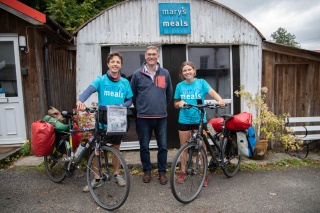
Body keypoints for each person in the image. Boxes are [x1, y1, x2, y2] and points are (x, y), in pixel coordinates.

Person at [76, 52, 133, 192]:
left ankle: (116, 174)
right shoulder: (101, 80)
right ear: (108, 64)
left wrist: (121, 106)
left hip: (118, 121)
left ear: (121, 65)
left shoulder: (125, 82)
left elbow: (130, 100)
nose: (115, 64)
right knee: (97, 150)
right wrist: (80, 100)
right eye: (112, 61)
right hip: (102, 121)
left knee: (116, 149)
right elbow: (89, 90)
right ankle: (96, 179)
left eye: (118, 62)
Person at [173, 61, 225, 187]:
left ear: (194, 71)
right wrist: (179, 104)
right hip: (184, 120)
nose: (187, 72)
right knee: (183, 148)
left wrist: (219, 100)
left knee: (202, 148)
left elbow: (212, 92)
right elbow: (175, 103)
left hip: (199, 119)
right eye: (184, 70)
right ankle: (183, 171)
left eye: (189, 70)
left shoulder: (201, 83)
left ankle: (204, 173)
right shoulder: (180, 86)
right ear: (182, 73)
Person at [130, 46, 173, 185]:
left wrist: (160, 106)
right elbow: (133, 95)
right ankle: (147, 171)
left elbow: (169, 94)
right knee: (144, 146)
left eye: (154, 54)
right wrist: (141, 108)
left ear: (158, 56)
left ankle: (162, 172)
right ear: (145, 56)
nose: (151, 57)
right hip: (143, 118)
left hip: (161, 117)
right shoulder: (137, 74)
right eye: (149, 54)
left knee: (162, 146)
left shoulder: (165, 73)